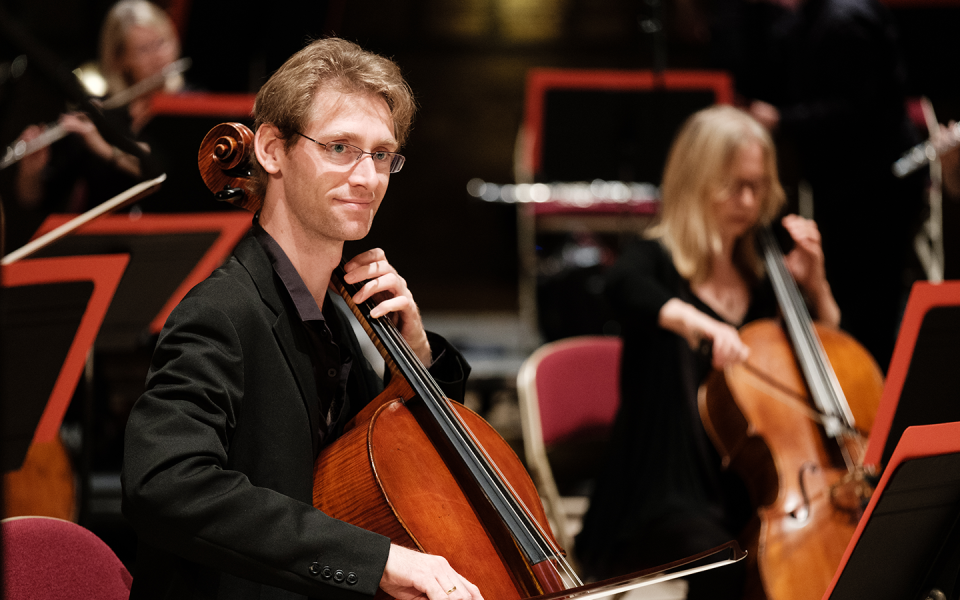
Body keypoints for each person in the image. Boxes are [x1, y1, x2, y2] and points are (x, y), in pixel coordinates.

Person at [120, 38, 484, 600]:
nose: (368, 177)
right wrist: (378, 561)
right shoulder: (219, 313)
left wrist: (416, 365)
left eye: (382, 154)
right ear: (271, 149)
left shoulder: (341, 316)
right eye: (340, 147)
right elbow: (165, 483)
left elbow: (394, 475)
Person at [574, 105, 840, 600]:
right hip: (662, 490)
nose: (748, 200)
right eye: (734, 185)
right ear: (697, 181)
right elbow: (621, 285)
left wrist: (815, 285)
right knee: (725, 566)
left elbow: (824, 360)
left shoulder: (763, 280)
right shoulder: (655, 260)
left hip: (746, 481)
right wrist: (702, 325)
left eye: (758, 186)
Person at [731, 0, 923, 371]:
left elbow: (861, 114)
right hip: (855, 185)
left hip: (873, 191)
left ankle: (871, 399)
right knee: (856, 297)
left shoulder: (844, 23)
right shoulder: (811, 19)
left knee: (868, 307)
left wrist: (782, 119)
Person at [14, 0, 180, 212]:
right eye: (144, 49)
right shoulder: (99, 114)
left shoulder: (193, 103)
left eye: (162, 43)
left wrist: (103, 148)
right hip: (106, 239)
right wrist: (31, 172)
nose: (158, 57)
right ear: (120, 59)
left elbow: (163, 170)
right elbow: (34, 201)